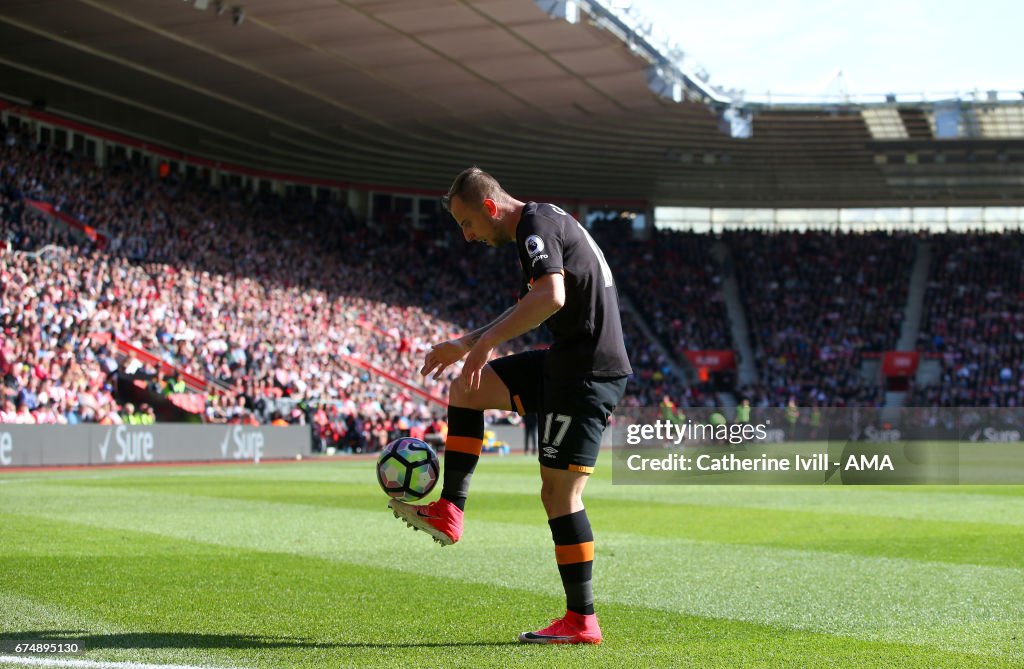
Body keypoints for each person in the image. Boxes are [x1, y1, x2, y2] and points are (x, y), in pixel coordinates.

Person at [388, 167, 631, 645]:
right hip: (566, 363)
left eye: (467, 223)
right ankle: (450, 510)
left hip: (588, 374)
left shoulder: (536, 226)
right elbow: (536, 300)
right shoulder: (543, 224)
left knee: (560, 495)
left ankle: (582, 620)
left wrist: (485, 346)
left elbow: (551, 297)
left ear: (490, 208)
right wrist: (467, 344)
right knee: (467, 390)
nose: (467, 236)